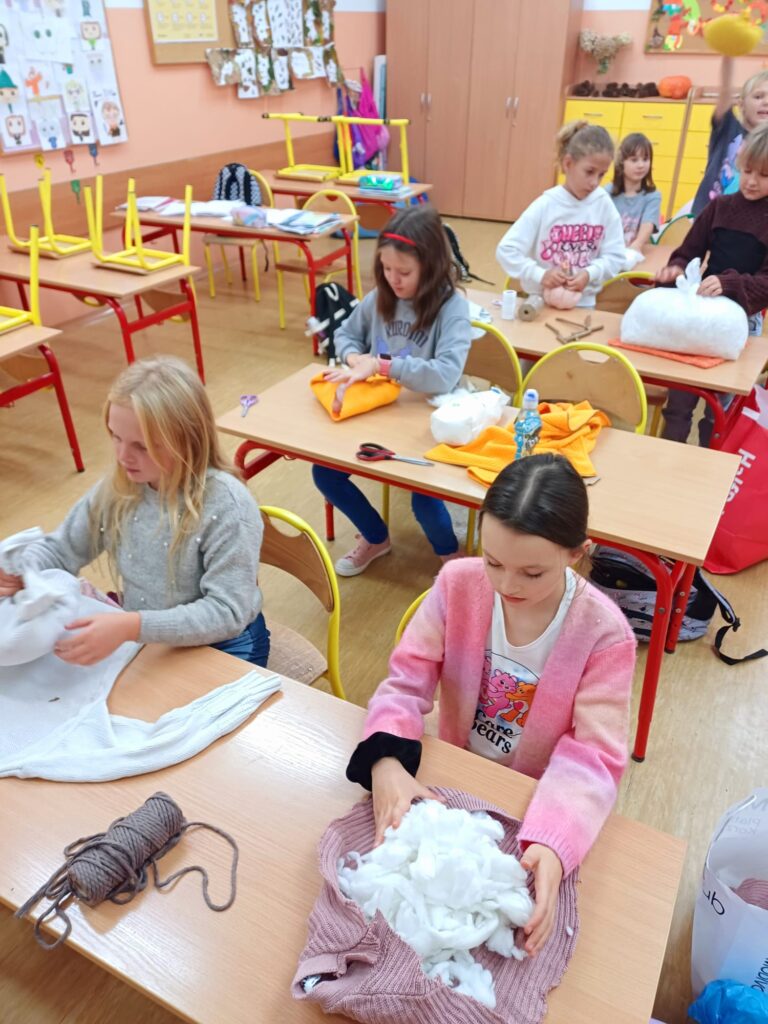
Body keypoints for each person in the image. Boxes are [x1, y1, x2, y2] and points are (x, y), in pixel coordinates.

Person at [346, 454, 636, 955]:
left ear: (577, 553)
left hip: (533, 797)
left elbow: (594, 756)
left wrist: (553, 843)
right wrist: (386, 758)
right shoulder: (457, 584)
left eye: (532, 572)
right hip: (455, 773)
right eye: (494, 562)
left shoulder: (604, 634)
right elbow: (406, 681)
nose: (506, 585)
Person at [0, 356, 269, 666]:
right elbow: (62, 550)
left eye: (142, 446)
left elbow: (227, 612)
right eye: (115, 437)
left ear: (188, 440)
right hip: (146, 635)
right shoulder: (120, 488)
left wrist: (132, 626)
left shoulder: (226, 505)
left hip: (225, 644)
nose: (123, 456)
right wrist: (23, 571)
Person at [313, 205, 472, 577]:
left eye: (404, 272)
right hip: (381, 412)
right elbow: (345, 334)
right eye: (386, 269)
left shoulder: (452, 308)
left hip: (429, 422)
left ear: (430, 267)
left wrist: (381, 365)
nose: (393, 279)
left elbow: (445, 375)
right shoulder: (380, 298)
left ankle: (451, 558)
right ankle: (375, 537)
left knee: (424, 499)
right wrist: (354, 357)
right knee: (325, 473)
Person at [658, 123, 768, 445]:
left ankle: (710, 459)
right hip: (702, 314)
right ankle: (666, 457)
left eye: (763, 175)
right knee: (679, 402)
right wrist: (675, 271)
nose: (751, 181)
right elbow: (687, 252)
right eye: (747, 170)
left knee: (719, 412)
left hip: (742, 322)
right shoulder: (721, 207)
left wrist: (729, 283)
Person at [496, 120, 625, 307]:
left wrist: (589, 273)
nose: (595, 182)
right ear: (568, 163)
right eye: (589, 171)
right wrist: (540, 275)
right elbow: (506, 250)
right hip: (540, 302)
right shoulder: (546, 204)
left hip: (583, 304)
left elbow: (616, 256)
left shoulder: (603, 204)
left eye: (601, 174)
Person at [692, 58, 768, 217]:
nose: (766, 102)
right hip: (706, 215)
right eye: (758, 96)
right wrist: (728, 56)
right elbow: (725, 90)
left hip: (743, 222)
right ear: (741, 105)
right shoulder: (729, 128)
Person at [605, 132, 662, 251]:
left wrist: (636, 247)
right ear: (621, 162)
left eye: (645, 159)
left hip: (633, 254)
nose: (641, 165)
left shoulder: (653, 196)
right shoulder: (606, 193)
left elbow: (648, 225)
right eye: (634, 160)